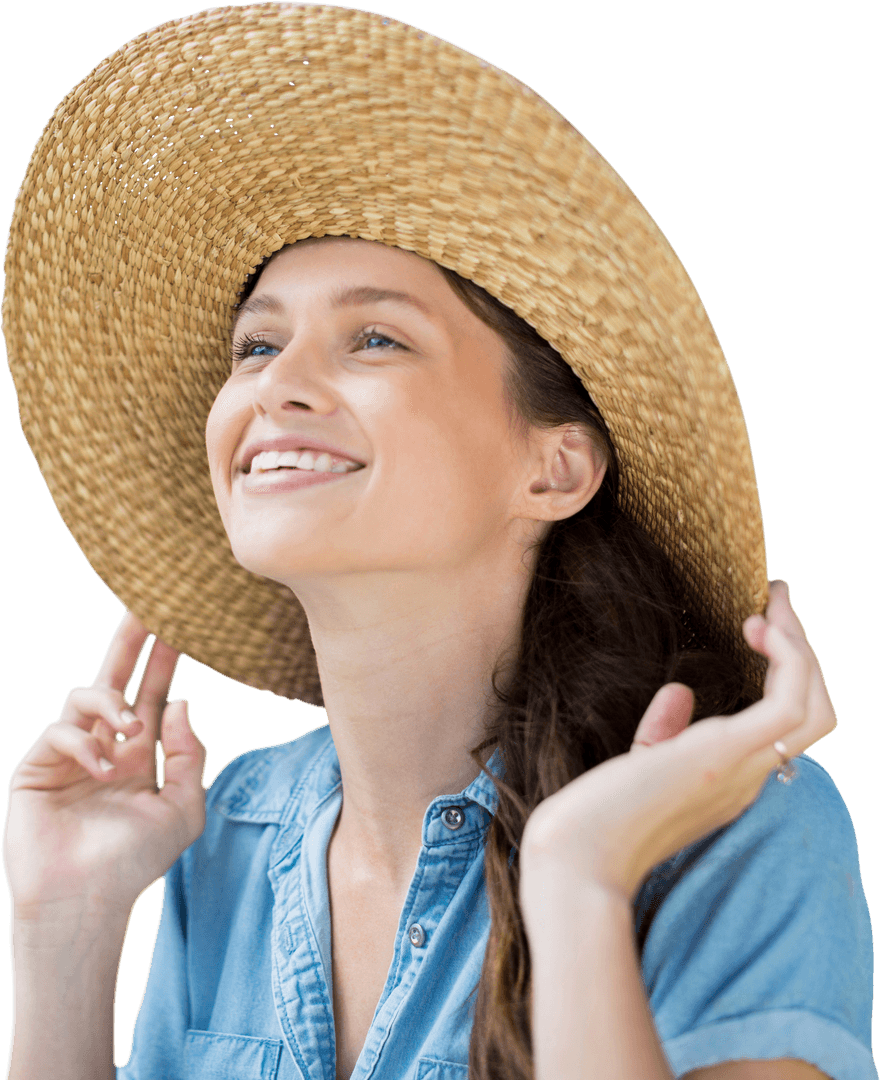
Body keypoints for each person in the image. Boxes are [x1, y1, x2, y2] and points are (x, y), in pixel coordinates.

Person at [1, 5, 874, 1080]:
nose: (276, 385)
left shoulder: (736, 828)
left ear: (554, 470)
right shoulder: (219, 835)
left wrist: (578, 880)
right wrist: (66, 921)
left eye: (374, 338)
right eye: (257, 344)